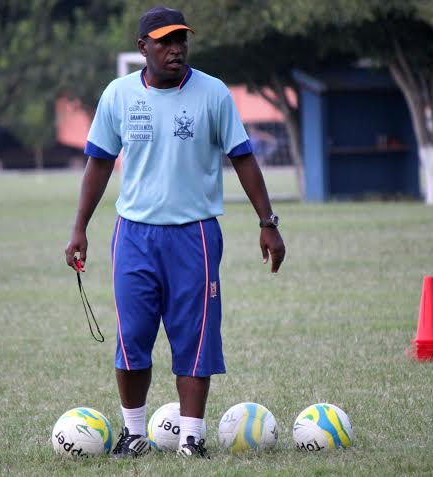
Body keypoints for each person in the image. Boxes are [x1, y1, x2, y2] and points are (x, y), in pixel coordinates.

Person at [64, 6, 285, 458]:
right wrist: (80, 227)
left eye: (181, 39)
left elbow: (242, 157)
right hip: (134, 236)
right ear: (142, 46)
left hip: (195, 235)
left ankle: (192, 439)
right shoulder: (118, 95)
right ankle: (133, 434)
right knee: (133, 337)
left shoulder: (213, 94)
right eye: (164, 41)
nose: (175, 49)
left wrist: (268, 223)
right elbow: (100, 162)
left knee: (195, 338)